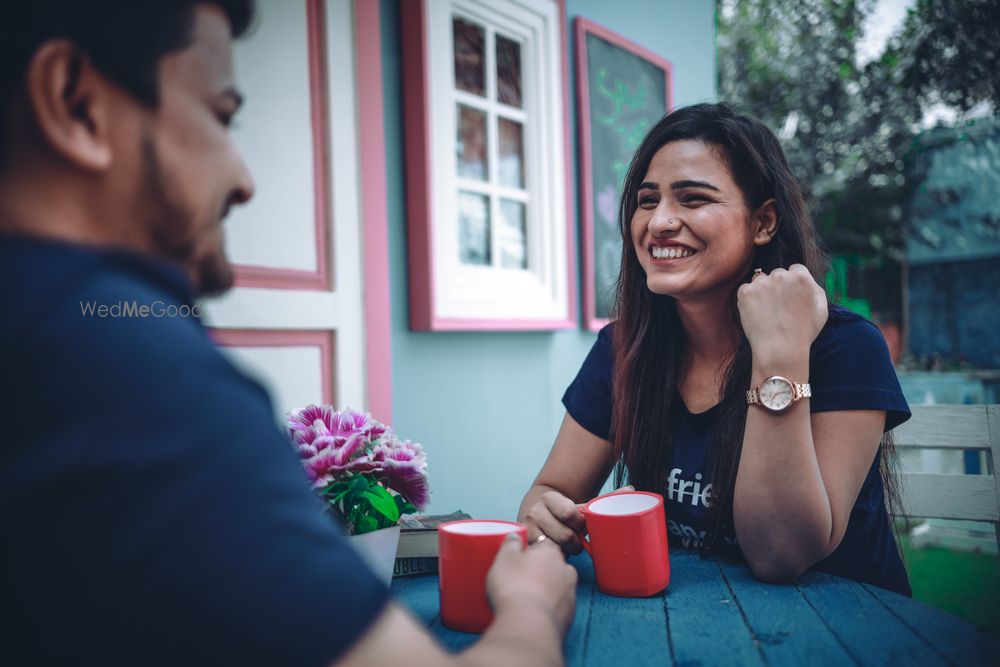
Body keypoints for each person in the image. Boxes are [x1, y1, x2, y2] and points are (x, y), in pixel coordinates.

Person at [0, 2, 576, 665]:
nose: (243, 180)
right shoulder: (119, 366)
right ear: (75, 102)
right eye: (221, 116)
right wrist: (532, 606)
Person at [518, 103, 912, 596]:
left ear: (763, 222)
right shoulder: (623, 347)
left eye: (692, 198)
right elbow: (548, 494)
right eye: (647, 200)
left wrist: (779, 352)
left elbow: (779, 554)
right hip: (687, 620)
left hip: (848, 626)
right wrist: (545, 515)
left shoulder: (846, 346)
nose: (659, 222)